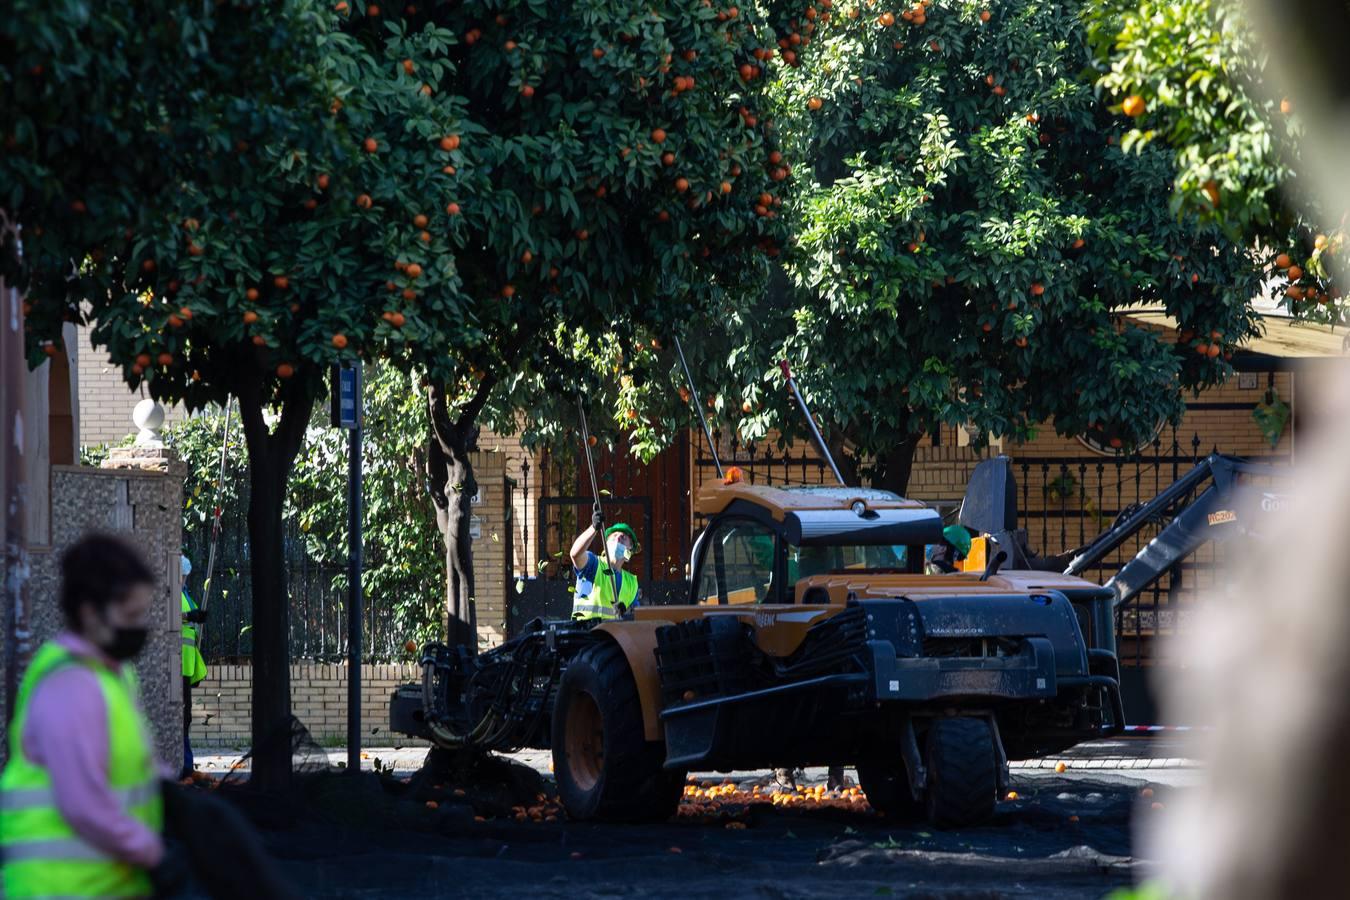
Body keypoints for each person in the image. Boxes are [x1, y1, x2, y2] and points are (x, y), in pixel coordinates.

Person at [0, 533, 170, 898]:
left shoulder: (115, 674)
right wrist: (152, 851)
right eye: (130, 616)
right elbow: (84, 803)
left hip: (108, 884)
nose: (139, 628)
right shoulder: (69, 685)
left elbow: (134, 763)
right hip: (60, 888)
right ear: (89, 612)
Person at [568, 507, 640, 620]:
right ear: (606, 545)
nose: (618, 538)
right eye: (614, 536)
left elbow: (637, 618)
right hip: (584, 633)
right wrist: (593, 528)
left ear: (629, 553)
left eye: (623, 538)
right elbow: (575, 554)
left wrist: (626, 614)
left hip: (611, 635)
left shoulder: (632, 583)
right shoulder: (593, 563)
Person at [180, 554, 208, 779]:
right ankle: (185, 765)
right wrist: (190, 615)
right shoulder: (172, 592)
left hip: (187, 663)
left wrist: (195, 616)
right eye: (183, 575)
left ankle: (187, 764)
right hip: (178, 663)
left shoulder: (185, 593)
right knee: (182, 715)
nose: (185, 579)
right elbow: (168, 615)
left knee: (186, 715)